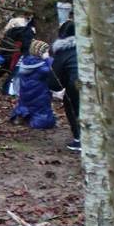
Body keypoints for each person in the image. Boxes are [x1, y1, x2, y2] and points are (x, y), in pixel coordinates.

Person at [10, 39, 56, 129]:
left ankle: (20, 116)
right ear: (40, 53)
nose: (48, 53)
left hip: (25, 92)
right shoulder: (42, 66)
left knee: (24, 104)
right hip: (40, 93)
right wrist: (47, 58)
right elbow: (53, 69)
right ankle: (37, 123)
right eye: (46, 51)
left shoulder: (25, 61)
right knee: (42, 111)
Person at [50, 18, 81, 152]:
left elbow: (55, 82)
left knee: (70, 102)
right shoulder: (93, 47)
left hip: (76, 86)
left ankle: (80, 139)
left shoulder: (63, 52)